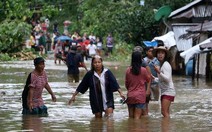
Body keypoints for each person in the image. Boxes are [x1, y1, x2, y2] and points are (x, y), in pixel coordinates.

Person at [125, 51, 151, 119]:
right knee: (137, 118)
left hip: (130, 95)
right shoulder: (143, 70)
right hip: (140, 96)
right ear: (140, 59)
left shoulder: (128, 70)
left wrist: (130, 90)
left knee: (130, 117)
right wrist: (147, 90)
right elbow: (149, 80)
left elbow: (126, 84)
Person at [152, 46, 176, 118]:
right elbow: (161, 80)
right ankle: (166, 128)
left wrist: (158, 72)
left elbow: (167, 79)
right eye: (158, 53)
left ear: (165, 55)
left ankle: (166, 127)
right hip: (164, 91)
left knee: (164, 112)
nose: (160, 54)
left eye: (162, 53)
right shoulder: (161, 64)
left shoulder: (166, 64)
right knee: (165, 112)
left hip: (168, 91)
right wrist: (153, 78)